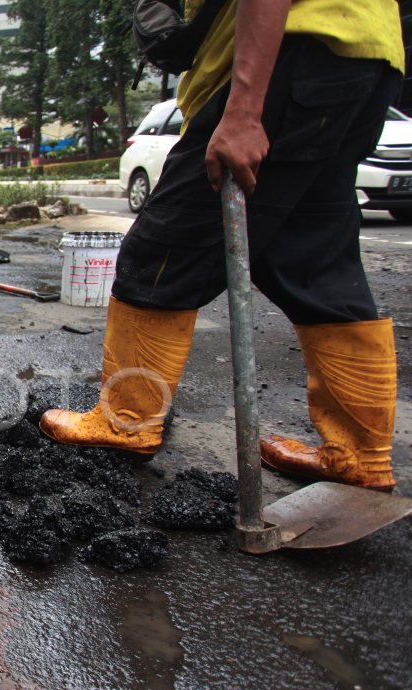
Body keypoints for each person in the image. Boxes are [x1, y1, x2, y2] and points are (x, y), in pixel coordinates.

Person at [39, 0, 404, 492]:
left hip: (286, 60)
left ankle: (127, 421)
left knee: (162, 253)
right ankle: (359, 452)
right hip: (360, 58)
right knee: (313, 258)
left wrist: (245, 110)